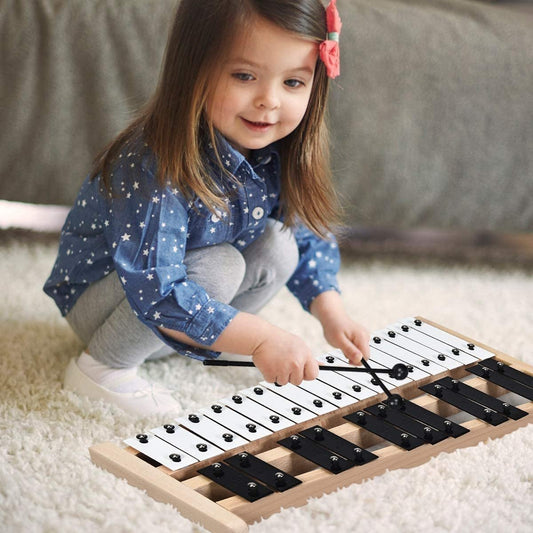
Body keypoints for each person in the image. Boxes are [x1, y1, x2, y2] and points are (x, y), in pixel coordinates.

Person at [43, 0, 370, 416]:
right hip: (107, 301)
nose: (268, 101)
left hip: (175, 301)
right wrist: (260, 338)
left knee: (279, 243)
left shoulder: (276, 147)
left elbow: (305, 235)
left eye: (293, 83)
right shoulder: (155, 160)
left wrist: (333, 314)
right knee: (221, 266)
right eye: (244, 76)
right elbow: (156, 287)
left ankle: (207, 340)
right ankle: (101, 366)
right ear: (194, 69)